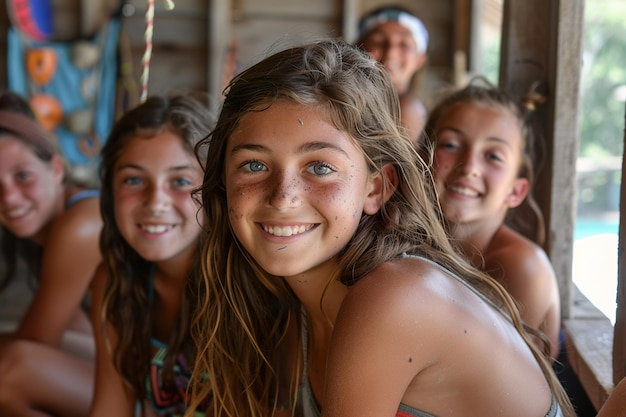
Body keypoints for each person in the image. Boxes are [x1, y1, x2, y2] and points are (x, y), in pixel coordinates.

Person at [185, 39, 574, 417]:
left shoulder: (393, 297)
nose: (283, 197)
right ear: (223, 181)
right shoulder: (292, 302)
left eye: (320, 167)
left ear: (377, 187)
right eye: (254, 165)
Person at [89, 94, 214, 417]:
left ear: (215, 191)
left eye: (180, 181)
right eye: (133, 179)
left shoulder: (251, 287)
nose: (156, 201)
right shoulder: (115, 281)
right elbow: (110, 408)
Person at [420, 81, 562, 360]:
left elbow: (500, 387)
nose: (470, 166)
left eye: (493, 156)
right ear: (422, 161)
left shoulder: (524, 266)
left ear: (515, 191)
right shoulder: (409, 245)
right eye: (451, 144)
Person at [0, 89, 101, 416]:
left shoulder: (81, 224)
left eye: (23, 176)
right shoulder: (54, 229)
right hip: (140, 369)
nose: (10, 198)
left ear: (56, 169)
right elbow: (83, 335)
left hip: (178, 386)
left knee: (10, 373)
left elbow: (35, 344)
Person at [357, 5, 429, 145]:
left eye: (404, 44)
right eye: (378, 41)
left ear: (419, 60)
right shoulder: (347, 102)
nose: (391, 52)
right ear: (359, 49)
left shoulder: (408, 110)